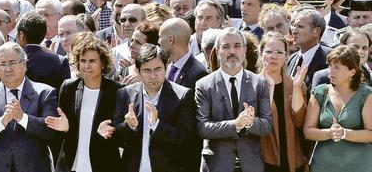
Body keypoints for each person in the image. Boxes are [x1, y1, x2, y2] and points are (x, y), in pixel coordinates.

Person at [0, 41, 58, 172]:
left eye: (12, 63)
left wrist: (23, 118)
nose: (8, 68)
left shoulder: (45, 92)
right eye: (2, 64)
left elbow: (49, 130)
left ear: (24, 64)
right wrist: (1, 122)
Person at [194, 27, 273, 172]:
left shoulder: (259, 83)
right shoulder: (204, 85)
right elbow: (202, 128)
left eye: (237, 46)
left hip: (251, 164)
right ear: (217, 52)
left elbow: (267, 125)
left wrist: (250, 122)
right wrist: (235, 125)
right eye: (226, 47)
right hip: (217, 165)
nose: (232, 51)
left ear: (244, 50)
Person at [113, 45, 195, 172]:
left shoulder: (182, 95)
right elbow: (116, 137)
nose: (153, 76)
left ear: (166, 68)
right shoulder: (124, 94)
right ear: (138, 71)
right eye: (147, 70)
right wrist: (129, 126)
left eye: (157, 69)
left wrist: (157, 125)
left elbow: (186, 139)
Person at [48, 33, 121, 172]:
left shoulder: (117, 91)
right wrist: (65, 128)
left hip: (104, 164)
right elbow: (62, 131)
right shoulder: (68, 87)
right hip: (71, 164)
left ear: (103, 64)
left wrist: (112, 132)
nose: (87, 65)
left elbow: (122, 133)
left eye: (92, 61)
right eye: (83, 60)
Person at [302, 44, 372, 172]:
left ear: (352, 72)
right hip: (323, 166)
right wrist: (329, 133)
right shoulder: (320, 92)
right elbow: (308, 131)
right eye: (330, 66)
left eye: (337, 68)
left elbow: (370, 134)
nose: (331, 71)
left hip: (359, 166)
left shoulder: (366, 94)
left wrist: (344, 133)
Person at [256, 32, 307, 172]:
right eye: (269, 51)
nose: (274, 56)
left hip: (292, 156)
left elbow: (299, 120)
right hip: (264, 157)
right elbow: (258, 120)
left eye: (279, 52)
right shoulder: (251, 83)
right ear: (261, 53)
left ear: (286, 55)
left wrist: (296, 88)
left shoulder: (295, 83)